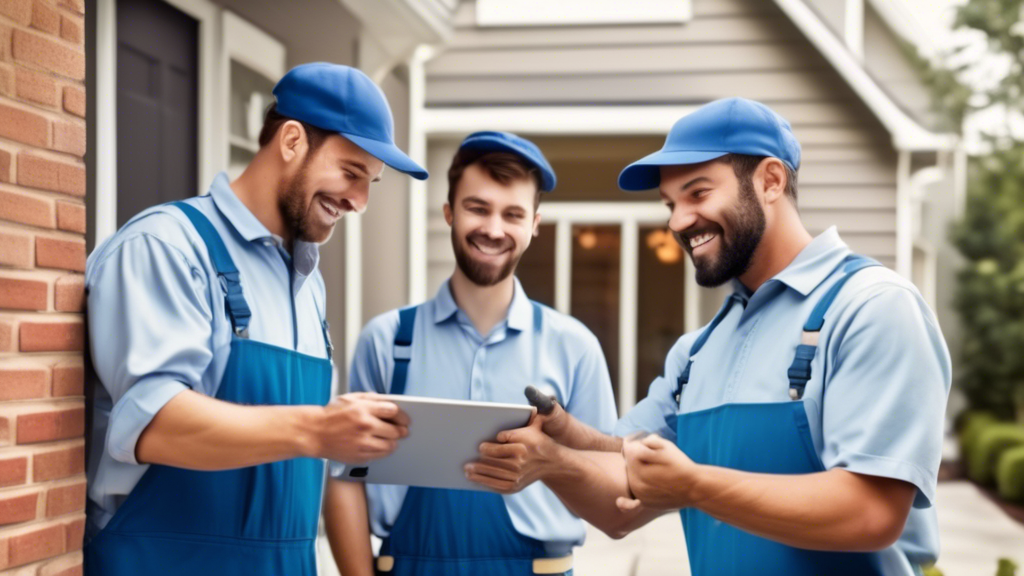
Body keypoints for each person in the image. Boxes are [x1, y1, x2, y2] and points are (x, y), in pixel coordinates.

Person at [468, 98, 952, 576]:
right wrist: (558, 453)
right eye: (670, 204)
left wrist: (695, 486)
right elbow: (622, 501)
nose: (678, 221)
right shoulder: (698, 352)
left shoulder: (870, 308)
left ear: (770, 181)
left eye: (697, 194)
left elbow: (871, 513)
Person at [83, 63, 427, 576]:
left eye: (370, 183)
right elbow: (152, 424)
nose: (359, 201)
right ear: (291, 140)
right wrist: (318, 429)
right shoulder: (167, 247)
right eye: (351, 174)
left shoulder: (308, 283)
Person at [325, 131, 617, 576]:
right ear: (449, 212)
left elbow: (614, 496)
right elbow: (344, 480)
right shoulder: (386, 341)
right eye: (477, 208)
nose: (493, 229)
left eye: (513, 214)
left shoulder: (573, 347)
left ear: (534, 224)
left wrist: (552, 464)